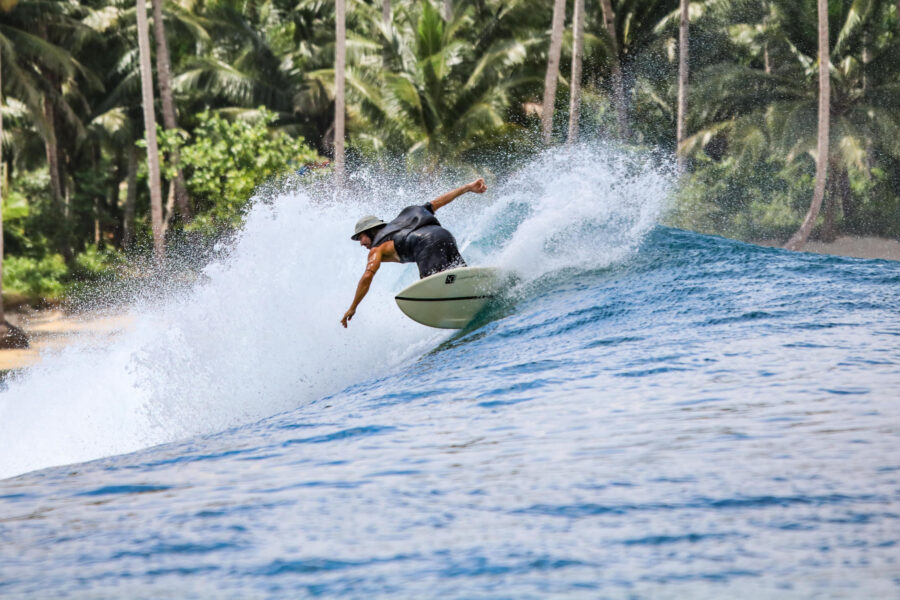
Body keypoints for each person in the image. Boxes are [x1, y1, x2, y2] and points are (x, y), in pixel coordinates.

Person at [341, 178, 488, 328]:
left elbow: (367, 276)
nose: (361, 243)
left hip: (427, 245)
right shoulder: (406, 218)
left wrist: (353, 307)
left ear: (371, 231)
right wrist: (468, 187)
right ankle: (482, 296)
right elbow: (439, 201)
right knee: (457, 278)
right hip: (445, 236)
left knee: (435, 287)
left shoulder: (376, 248)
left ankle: (463, 310)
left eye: (361, 237)